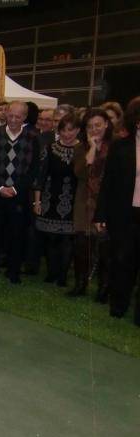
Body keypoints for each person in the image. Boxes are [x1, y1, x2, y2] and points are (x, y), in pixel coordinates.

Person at [94, 96, 140, 324]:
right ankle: (118, 305)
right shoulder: (121, 147)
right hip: (124, 214)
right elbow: (108, 183)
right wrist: (101, 214)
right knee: (122, 261)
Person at [0, 101, 40, 284]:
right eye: (11, 115)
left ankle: (13, 271)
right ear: (6, 114)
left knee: (17, 234)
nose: (14, 119)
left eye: (18, 116)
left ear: (25, 117)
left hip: (19, 195)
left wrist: (16, 188)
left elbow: (34, 168)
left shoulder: (33, 137)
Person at [33, 113, 82, 288]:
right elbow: (41, 176)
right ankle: (51, 272)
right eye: (64, 130)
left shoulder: (83, 149)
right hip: (50, 198)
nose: (67, 134)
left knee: (67, 241)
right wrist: (37, 201)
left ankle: (62, 276)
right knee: (51, 238)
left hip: (73, 201)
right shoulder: (50, 148)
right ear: (58, 131)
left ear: (78, 130)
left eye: (71, 130)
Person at [70, 108, 113, 298]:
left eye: (98, 125)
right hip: (84, 202)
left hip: (108, 202)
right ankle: (80, 284)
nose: (94, 129)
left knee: (105, 248)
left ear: (106, 125)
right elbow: (81, 173)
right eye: (90, 126)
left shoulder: (116, 147)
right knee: (82, 246)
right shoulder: (80, 148)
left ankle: (104, 287)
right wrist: (93, 148)